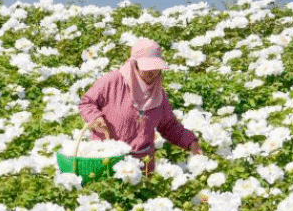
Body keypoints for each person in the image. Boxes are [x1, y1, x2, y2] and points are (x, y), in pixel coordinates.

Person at [79, 39, 202, 175]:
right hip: (107, 161)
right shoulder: (113, 81)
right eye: (147, 67)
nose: (151, 72)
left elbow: (169, 126)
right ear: (134, 64)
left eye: (155, 68)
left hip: (141, 167)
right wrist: (96, 117)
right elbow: (86, 102)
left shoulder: (158, 94)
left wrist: (190, 141)